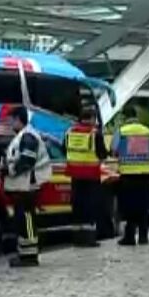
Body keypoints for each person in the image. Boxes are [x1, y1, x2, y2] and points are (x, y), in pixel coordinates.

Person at [3, 106, 52, 267]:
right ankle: (24, 254)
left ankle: (29, 256)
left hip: (28, 186)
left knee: (27, 220)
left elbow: (26, 161)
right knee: (23, 220)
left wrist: (8, 170)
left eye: (11, 120)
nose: (9, 123)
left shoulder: (28, 136)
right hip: (23, 187)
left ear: (18, 119)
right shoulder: (22, 136)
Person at [64, 106, 108, 247]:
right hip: (91, 176)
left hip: (75, 175)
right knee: (90, 207)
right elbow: (102, 154)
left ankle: (77, 239)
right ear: (93, 119)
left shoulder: (70, 132)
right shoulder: (95, 133)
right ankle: (89, 239)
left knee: (77, 207)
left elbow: (63, 148)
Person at [116, 107, 149, 246]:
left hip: (127, 176)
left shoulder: (121, 131)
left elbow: (114, 150)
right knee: (144, 207)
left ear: (125, 118)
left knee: (129, 207)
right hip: (145, 175)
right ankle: (144, 237)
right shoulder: (147, 131)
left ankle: (130, 237)